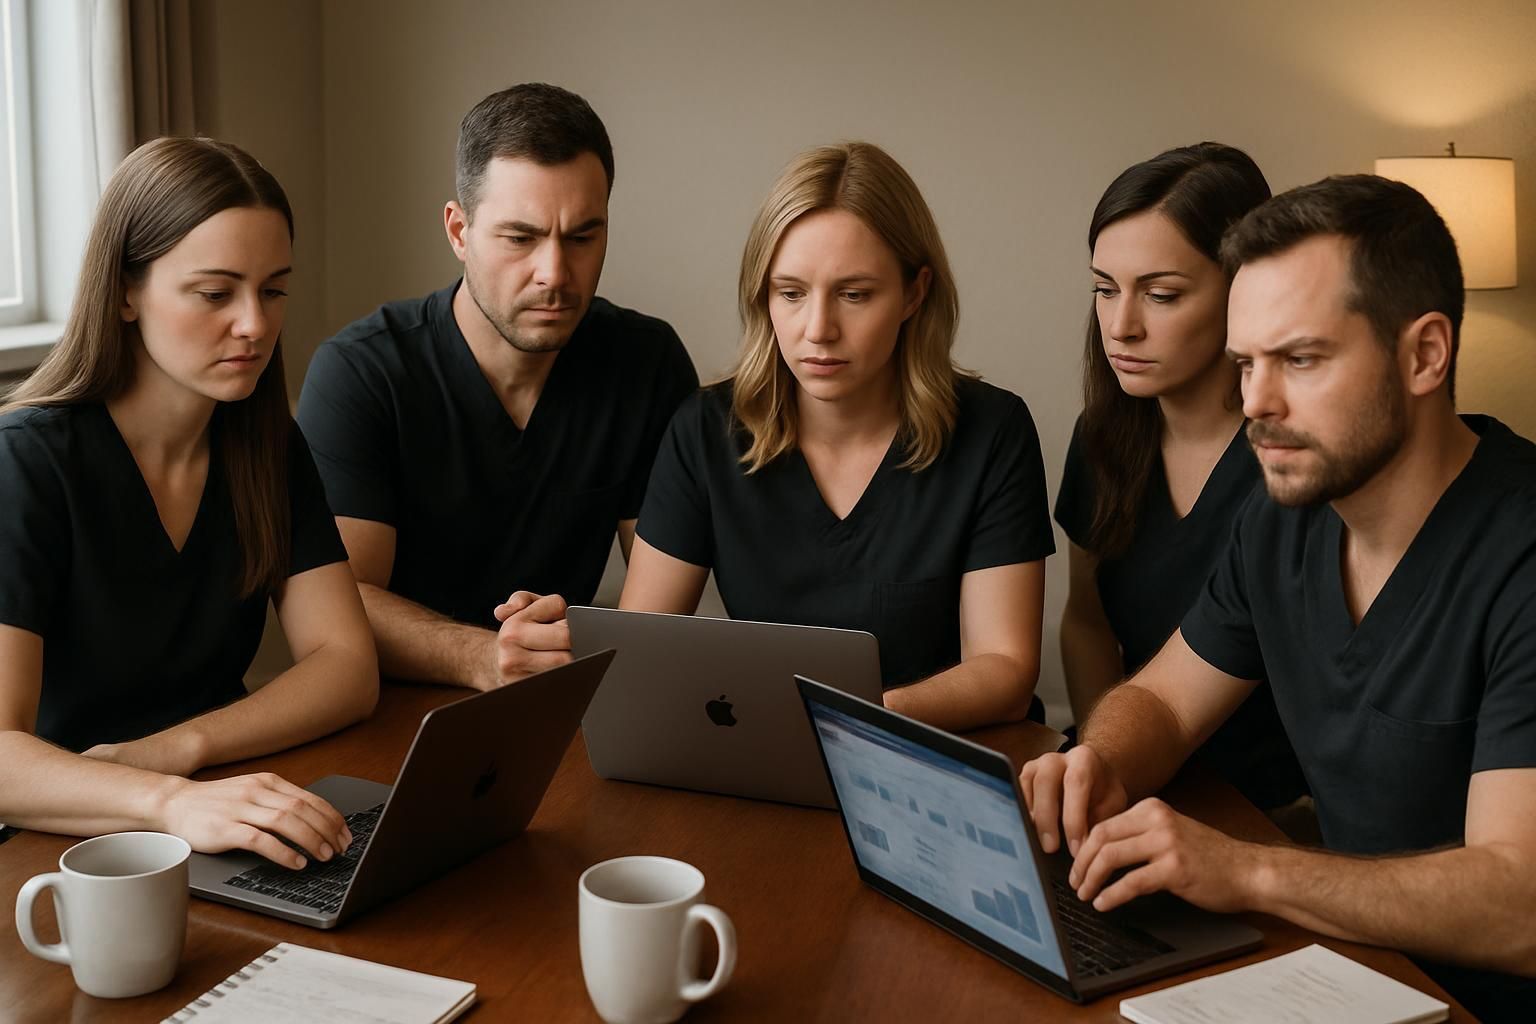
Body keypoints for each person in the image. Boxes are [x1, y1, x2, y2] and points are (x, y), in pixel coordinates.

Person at [1020, 174, 1536, 1022]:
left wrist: (1247, 869)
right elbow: (1164, 699)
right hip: (1354, 972)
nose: (1256, 405)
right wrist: (1099, 765)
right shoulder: (1279, 519)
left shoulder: (1519, 552)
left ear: (1425, 355)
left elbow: (1520, 906)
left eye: (1300, 360)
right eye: (1245, 364)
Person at [0, 137, 377, 870]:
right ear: (125, 292)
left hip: (219, 808)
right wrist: (166, 797)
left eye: (272, 290)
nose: (255, 324)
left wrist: (181, 748)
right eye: (215, 293)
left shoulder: (267, 445)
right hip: (68, 848)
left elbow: (346, 666)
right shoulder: (25, 463)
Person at [619, 141, 1054, 732]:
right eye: (791, 293)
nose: (818, 329)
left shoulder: (992, 432)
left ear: (915, 293)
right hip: (769, 746)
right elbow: (642, 650)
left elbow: (1004, 671)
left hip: (933, 754)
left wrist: (849, 719)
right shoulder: (704, 431)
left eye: (855, 295)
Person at [296, 83, 697, 691]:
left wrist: (569, 645)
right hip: (386, 708)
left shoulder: (646, 363)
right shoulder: (362, 372)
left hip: (562, 697)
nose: (555, 274)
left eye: (583, 237)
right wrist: (482, 656)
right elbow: (341, 605)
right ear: (459, 231)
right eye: (521, 237)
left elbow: (654, 611)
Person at [1055, 142, 1305, 810]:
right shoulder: (1102, 437)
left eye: (1161, 295)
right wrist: (1100, 764)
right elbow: (1085, 622)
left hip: (1276, 808)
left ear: (1241, 287)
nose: (1121, 326)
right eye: (1105, 290)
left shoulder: (1299, 457)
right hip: (1135, 780)